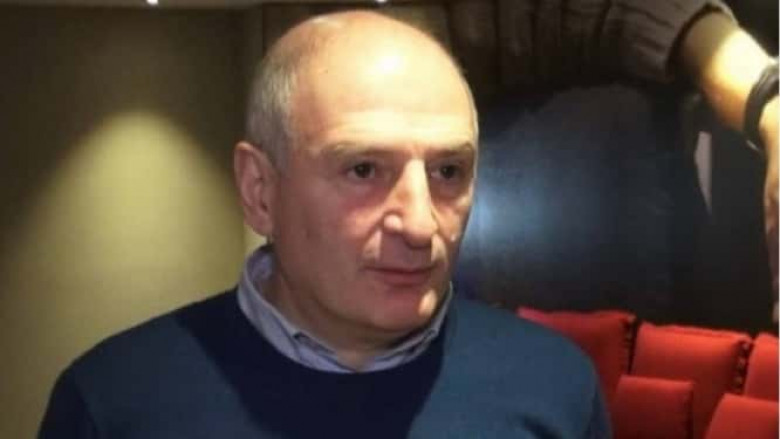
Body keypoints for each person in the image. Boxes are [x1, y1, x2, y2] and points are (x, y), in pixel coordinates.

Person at [39, 4, 777, 438]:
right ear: (260, 191)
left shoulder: (556, 386)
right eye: (364, 170)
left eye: (448, 172)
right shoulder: (115, 402)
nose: (422, 225)